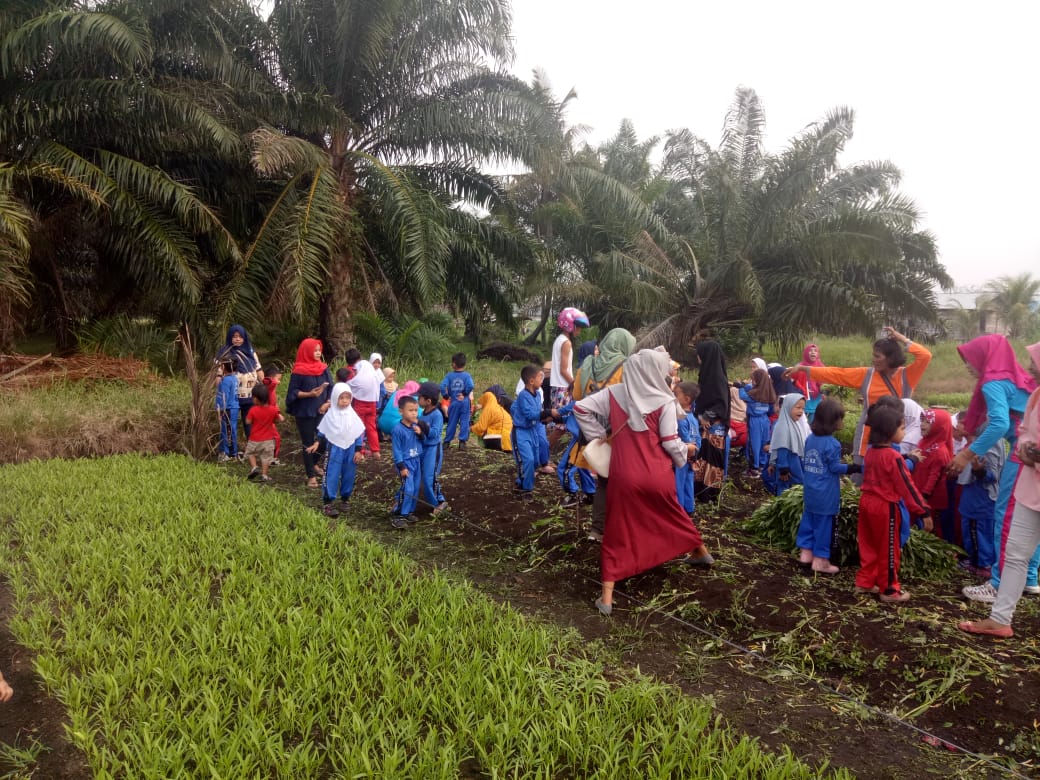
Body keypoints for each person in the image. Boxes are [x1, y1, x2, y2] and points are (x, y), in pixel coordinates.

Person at [574, 349, 713, 616]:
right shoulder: (665, 402)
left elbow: (580, 407)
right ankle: (701, 552)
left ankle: (607, 598)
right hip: (656, 475)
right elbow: (671, 443)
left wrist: (600, 435)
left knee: (618, 530)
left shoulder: (614, 393)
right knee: (671, 513)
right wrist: (687, 452)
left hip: (623, 474)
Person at [958, 341, 1040, 638]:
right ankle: (1025, 582)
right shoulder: (1025, 386)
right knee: (1025, 534)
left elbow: (1000, 424)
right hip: (1028, 464)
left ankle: (996, 583)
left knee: (1006, 518)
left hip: (1026, 464)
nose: (1029, 367)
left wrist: (967, 454)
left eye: (968, 359)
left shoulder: (994, 383)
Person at [788, 327, 931, 469]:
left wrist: (901, 338)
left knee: (890, 474)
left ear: (891, 358)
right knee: (861, 477)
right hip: (867, 437)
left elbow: (925, 356)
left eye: (877, 356)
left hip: (896, 438)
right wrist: (804, 369)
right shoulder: (867, 375)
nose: (873, 360)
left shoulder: (907, 376)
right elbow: (838, 374)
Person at [855, 403, 928, 602]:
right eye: (902, 428)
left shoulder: (871, 452)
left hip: (866, 502)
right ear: (889, 431)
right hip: (885, 506)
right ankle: (889, 590)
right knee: (889, 548)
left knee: (868, 543)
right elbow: (907, 486)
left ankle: (865, 582)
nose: (904, 432)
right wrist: (923, 511)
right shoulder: (894, 457)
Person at [571, 328, 637, 541]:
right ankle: (620, 529)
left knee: (603, 481)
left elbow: (577, 397)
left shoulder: (588, 363)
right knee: (624, 481)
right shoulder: (627, 367)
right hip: (618, 431)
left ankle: (597, 530)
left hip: (592, 431)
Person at [798, 398, 859, 573]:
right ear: (832, 421)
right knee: (824, 527)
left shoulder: (810, 439)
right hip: (826, 494)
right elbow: (834, 467)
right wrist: (853, 467)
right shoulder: (833, 444)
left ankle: (805, 555)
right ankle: (820, 561)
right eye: (840, 418)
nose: (842, 422)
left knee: (808, 521)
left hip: (810, 490)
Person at [306, 383, 365, 518]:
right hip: (335, 449)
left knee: (349, 474)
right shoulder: (330, 415)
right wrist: (316, 443)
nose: (345, 401)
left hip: (350, 449)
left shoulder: (352, 414)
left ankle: (345, 498)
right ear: (334, 398)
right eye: (341, 398)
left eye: (347, 398)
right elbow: (322, 432)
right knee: (332, 474)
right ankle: (328, 502)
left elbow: (357, 433)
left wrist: (358, 450)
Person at [285, 338, 333, 488]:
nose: (318, 353)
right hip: (304, 411)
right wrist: (309, 394)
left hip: (321, 410)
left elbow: (331, 387)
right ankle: (311, 476)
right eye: (315, 350)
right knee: (308, 443)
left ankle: (312, 464)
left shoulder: (323, 368)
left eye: (319, 350)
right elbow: (292, 393)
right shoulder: (298, 371)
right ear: (307, 352)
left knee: (324, 439)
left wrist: (327, 403)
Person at [957, 436, 1004, 579]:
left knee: (977, 534)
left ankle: (981, 565)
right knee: (976, 533)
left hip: (979, 503)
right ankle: (978, 561)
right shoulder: (979, 441)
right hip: (974, 501)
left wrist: (979, 471)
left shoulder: (989, 443)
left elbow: (992, 476)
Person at [692, 340, 731, 499]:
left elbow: (721, 403)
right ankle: (702, 491)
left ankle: (709, 493)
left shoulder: (716, 377)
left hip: (713, 425)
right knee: (705, 456)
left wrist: (706, 416)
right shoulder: (708, 374)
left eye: (699, 355)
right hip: (706, 424)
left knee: (712, 459)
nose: (697, 358)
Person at [907, 409, 953, 534]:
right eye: (922, 421)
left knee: (930, 529)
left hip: (929, 500)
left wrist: (924, 497)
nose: (922, 424)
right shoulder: (924, 443)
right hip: (918, 494)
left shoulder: (939, 451)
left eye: (928, 422)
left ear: (939, 426)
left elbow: (935, 477)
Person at [549, 307, 590, 442]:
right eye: (578, 326)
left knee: (560, 423)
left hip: (558, 386)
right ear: (570, 325)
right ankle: (543, 454)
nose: (579, 330)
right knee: (561, 426)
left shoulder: (560, 339)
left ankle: (543, 452)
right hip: (563, 387)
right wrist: (575, 384)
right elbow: (563, 370)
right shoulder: (566, 343)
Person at [217, 324, 263, 439]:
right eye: (234, 336)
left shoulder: (250, 352)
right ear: (230, 338)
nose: (237, 339)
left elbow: (259, 369)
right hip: (232, 398)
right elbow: (218, 374)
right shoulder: (224, 353)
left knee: (249, 423)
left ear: (244, 338)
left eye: (240, 336)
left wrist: (265, 386)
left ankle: (251, 448)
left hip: (250, 395)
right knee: (230, 424)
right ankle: (231, 451)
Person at [511, 364, 546, 501]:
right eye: (540, 377)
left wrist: (547, 417)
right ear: (531, 381)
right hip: (521, 432)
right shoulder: (523, 396)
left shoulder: (537, 395)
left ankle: (521, 482)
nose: (542, 380)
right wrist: (546, 414)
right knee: (527, 460)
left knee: (535, 461)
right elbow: (531, 414)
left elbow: (538, 414)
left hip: (533, 431)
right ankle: (526, 489)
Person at [763, 394, 810, 496]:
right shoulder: (783, 426)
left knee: (792, 486)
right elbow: (781, 448)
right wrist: (783, 469)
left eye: (803, 408)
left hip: (794, 462)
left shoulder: (793, 424)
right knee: (784, 486)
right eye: (798, 408)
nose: (801, 411)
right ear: (787, 407)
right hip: (787, 465)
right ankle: (782, 507)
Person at [390, 395, 423, 528]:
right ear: (401, 411)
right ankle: (398, 515)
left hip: (416, 461)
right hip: (406, 463)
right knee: (407, 488)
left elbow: (422, 441)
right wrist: (402, 466)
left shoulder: (416, 426)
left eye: (416, 410)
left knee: (415, 488)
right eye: (410, 410)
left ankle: (408, 511)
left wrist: (420, 433)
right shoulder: (398, 430)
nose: (414, 413)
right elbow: (397, 450)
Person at [344, 349, 383, 458]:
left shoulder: (357, 380)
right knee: (371, 427)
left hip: (360, 405)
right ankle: (376, 450)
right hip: (372, 405)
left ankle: (359, 450)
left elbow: (346, 386)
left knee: (359, 428)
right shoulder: (375, 377)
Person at [417, 382, 449, 515]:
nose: (418, 399)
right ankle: (433, 502)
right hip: (423, 448)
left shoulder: (437, 415)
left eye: (420, 397)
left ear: (428, 401)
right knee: (421, 476)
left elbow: (435, 434)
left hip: (433, 449)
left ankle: (440, 502)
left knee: (430, 476)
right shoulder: (422, 414)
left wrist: (422, 426)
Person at [740, 368, 776, 477]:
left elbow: (742, 396)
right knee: (764, 443)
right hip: (765, 420)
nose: (752, 382)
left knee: (753, 444)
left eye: (753, 380)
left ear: (758, 380)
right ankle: (762, 465)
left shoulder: (753, 393)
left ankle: (753, 468)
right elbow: (771, 410)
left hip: (754, 420)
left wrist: (741, 387)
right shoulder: (769, 392)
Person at [673, 381, 702, 516]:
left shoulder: (680, 419)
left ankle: (679, 511)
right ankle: (689, 509)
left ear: (687, 399)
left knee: (678, 484)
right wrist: (695, 456)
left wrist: (689, 454)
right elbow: (697, 439)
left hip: (682, 457)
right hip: (691, 456)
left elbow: (684, 438)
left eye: (676, 394)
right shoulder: (693, 418)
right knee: (688, 482)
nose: (673, 397)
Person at [244, 384, 281, 483]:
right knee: (266, 458)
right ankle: (264, 475)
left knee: (250, 453)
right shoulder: (272, 410)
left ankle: (254, 467)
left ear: (256, 399)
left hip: (254, 438)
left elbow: (247, 421)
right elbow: (279, 419)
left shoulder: (253, 410)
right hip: (268, 439)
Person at [440, 352, 475, 449]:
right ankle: (462, 442)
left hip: (454, 401)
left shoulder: (449, 376)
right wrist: (464, 393)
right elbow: (471, 386)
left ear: (454, 364)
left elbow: (442, 386)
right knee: (464, 421)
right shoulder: (467, 376)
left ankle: (447, 442)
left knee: (452, 421)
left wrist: (446, 396)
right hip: (465, 402)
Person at [472, 386, 514, 451]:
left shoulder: (489, 408)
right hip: (511, 439)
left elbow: (481, 427)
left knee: (483, 431)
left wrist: (470, 428)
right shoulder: (499, 407)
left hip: (501, 439)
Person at [215, 359, 239, 462]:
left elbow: (223, 397)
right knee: (232, 430)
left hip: (227, 408)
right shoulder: (234, 378)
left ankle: (226, 453)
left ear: (224, 367)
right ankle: (233, 452)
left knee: (226, 431)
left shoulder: (226, 381)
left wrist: (220, 410)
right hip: (234, 408)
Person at [793, 343, 826, 419]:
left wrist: (823, 392)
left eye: (815, 351)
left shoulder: (821, 367)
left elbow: (824, 382)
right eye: (810, 350)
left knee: (814, 419)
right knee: (802, 420)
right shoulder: (799, 367)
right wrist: (803, 389)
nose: (813, 352)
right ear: (805, 353)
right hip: (802, 399)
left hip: (816, 400)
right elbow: (794, 382)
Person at [261, 364, 283, 465]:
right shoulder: (269, 387)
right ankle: (271, 459)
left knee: (273, 438)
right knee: (275, 438)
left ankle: (271, 458)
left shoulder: (272, 390)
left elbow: (274, 404)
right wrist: (271, 379)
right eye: (278, 379)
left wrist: (278, 414)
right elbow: (269, 381)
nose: (279, 382)